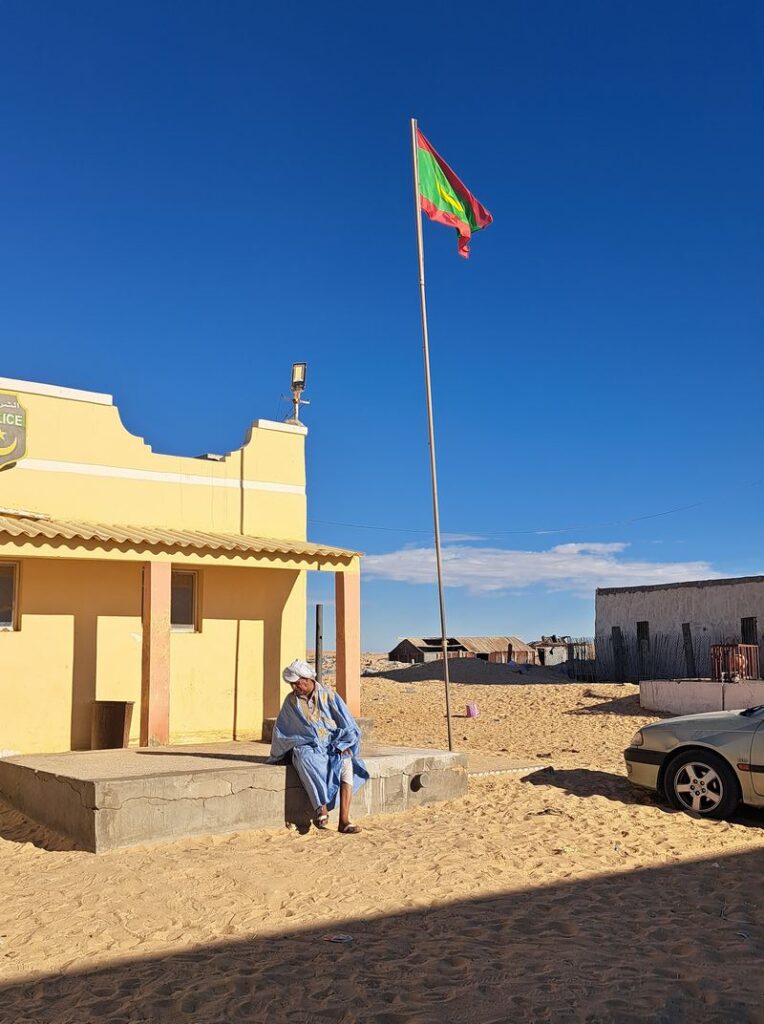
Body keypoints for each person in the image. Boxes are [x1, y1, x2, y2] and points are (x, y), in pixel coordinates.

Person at [268, 659, 368, 834]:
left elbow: (348, 724)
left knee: (346, 761)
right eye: (293, 685)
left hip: (331, 743)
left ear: (308, 679)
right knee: (303, 757)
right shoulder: (292, 701)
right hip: (305, 745)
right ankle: (320, 807)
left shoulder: (329, 695)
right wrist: (279, 753)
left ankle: (344, 820)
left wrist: (343, 744)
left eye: (298, 684)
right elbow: (283, 729)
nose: (295, 688)